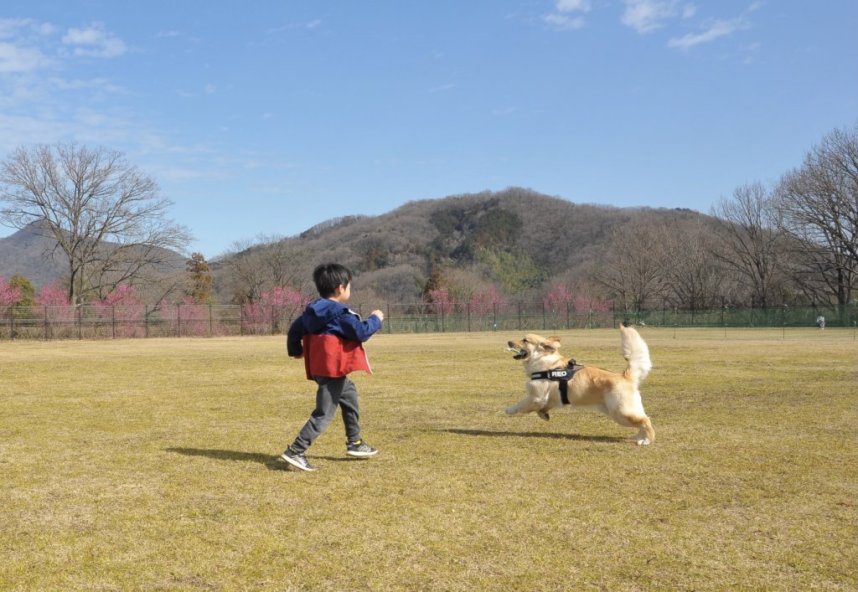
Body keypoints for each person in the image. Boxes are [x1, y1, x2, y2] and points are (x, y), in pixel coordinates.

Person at [281, 263, 385, 472]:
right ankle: (296, 450)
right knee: (324, 413)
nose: (349, 290)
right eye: (349, 286)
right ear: (340, 288)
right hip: (332, 369)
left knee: (349, 395)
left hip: (321, 368)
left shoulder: (310, 312)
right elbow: (361, 332)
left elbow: (294, 330)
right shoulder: (340, 314)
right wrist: (376, 319)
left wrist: (296, 350)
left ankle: (355, 443)